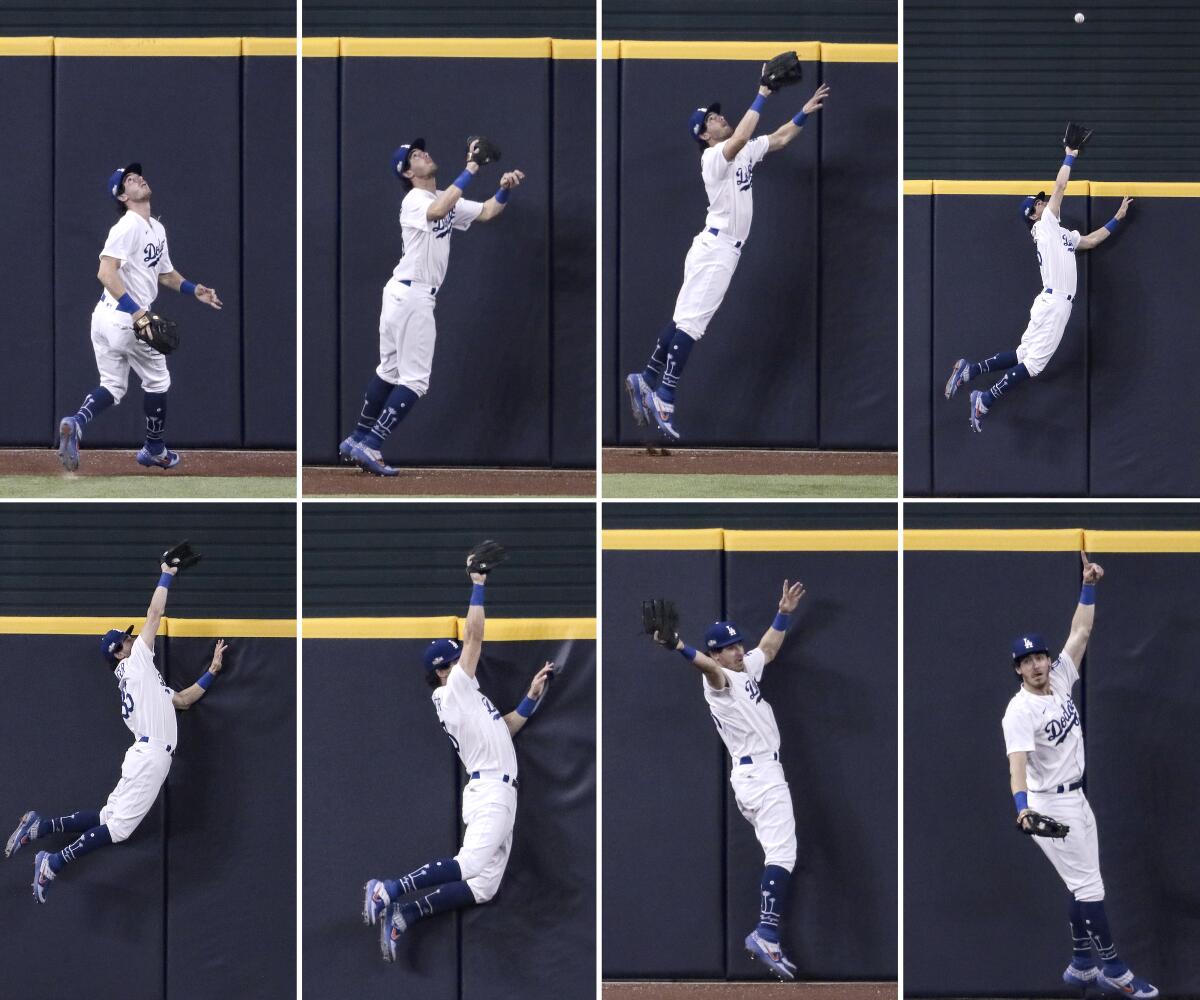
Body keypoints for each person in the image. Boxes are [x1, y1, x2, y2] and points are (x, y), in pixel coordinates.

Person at [363, 551, 555, 961]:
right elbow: (475, 639)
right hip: (491, 791)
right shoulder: (451, 691)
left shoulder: (469, 697)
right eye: (451, 663)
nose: (461, 663)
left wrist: (529, 700)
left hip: (496, 789)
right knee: (468, 865)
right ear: (441, 671)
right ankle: (388, 889)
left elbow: (503, 731)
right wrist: (478, 586)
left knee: (483, 887)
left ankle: (405, 914)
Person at [625, 71, 829, 440]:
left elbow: (780, 138)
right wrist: (764, 93)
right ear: (704, 136)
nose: (718, 117)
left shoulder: (743, 148)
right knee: (692, 325)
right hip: (717, 249)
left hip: (714, 247)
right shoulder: (713, 158)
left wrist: (803, 112)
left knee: (682, 318)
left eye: (717, 114)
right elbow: (739, 139)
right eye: (710, 119)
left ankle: (647, 377)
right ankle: (665, 397)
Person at [1002, 551, 1157, 997]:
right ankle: (1114, 970)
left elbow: (1081, 630)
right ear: (1017, 669)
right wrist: (1022, 809)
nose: (1036, 665)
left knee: (1081, 881)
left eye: (1040, 657)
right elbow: (1016, 767)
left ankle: (1081, 963)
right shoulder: (1020, 710)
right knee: (1089, 885)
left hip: (1075, 798)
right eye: (1027, 661)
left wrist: (1089, 585)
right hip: (1049, 801)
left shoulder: (1061, 677)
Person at [340, 137, 525, 476]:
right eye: (414, 155)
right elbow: (437, 211)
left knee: (390, 371)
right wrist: (471, 167)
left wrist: (504, 189)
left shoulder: (442, 196)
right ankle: (372, 444)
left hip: (401, 294)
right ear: (409, 172)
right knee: (415, 381)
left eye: (421, 150)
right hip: (412, 295)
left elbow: (485, 212)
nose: (423, 153)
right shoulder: (414, 198)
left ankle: (357, 437)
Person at [57, 163, 222, 470]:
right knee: (158, 382)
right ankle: (155, 449)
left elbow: (165, 274)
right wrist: (137, 312)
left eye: (138, 175)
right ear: (122, 196)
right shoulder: (127, 226)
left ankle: (76, 422)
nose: (139, 179)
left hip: (104, 318)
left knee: (113, 386)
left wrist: (193, 289)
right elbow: (105, 272)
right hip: (126, 317)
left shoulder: (156, 228)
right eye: (130, 180)